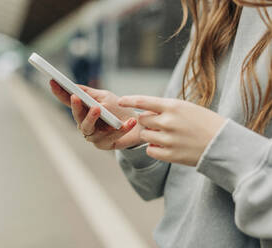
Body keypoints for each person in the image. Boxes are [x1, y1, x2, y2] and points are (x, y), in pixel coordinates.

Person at [50, 1, 272, 247]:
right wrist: (139, 132)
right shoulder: (213, 16)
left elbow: (213, 146)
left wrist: (220, 148)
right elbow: (174, 178)